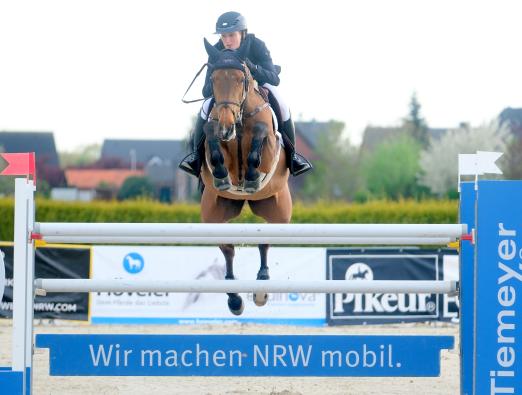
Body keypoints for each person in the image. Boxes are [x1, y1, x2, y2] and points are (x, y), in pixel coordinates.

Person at [179, 11, 312, 177]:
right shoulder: (216, 50)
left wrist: (252, 68)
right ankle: (195, 157)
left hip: (259, 86)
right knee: (205, 107)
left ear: (242, 32)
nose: (227, 41)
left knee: (283, 105)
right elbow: (206, 89)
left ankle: (293, 157)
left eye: (231, 35)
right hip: (228, 93)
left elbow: (274, 78)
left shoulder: (257, 45)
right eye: (223, 36)